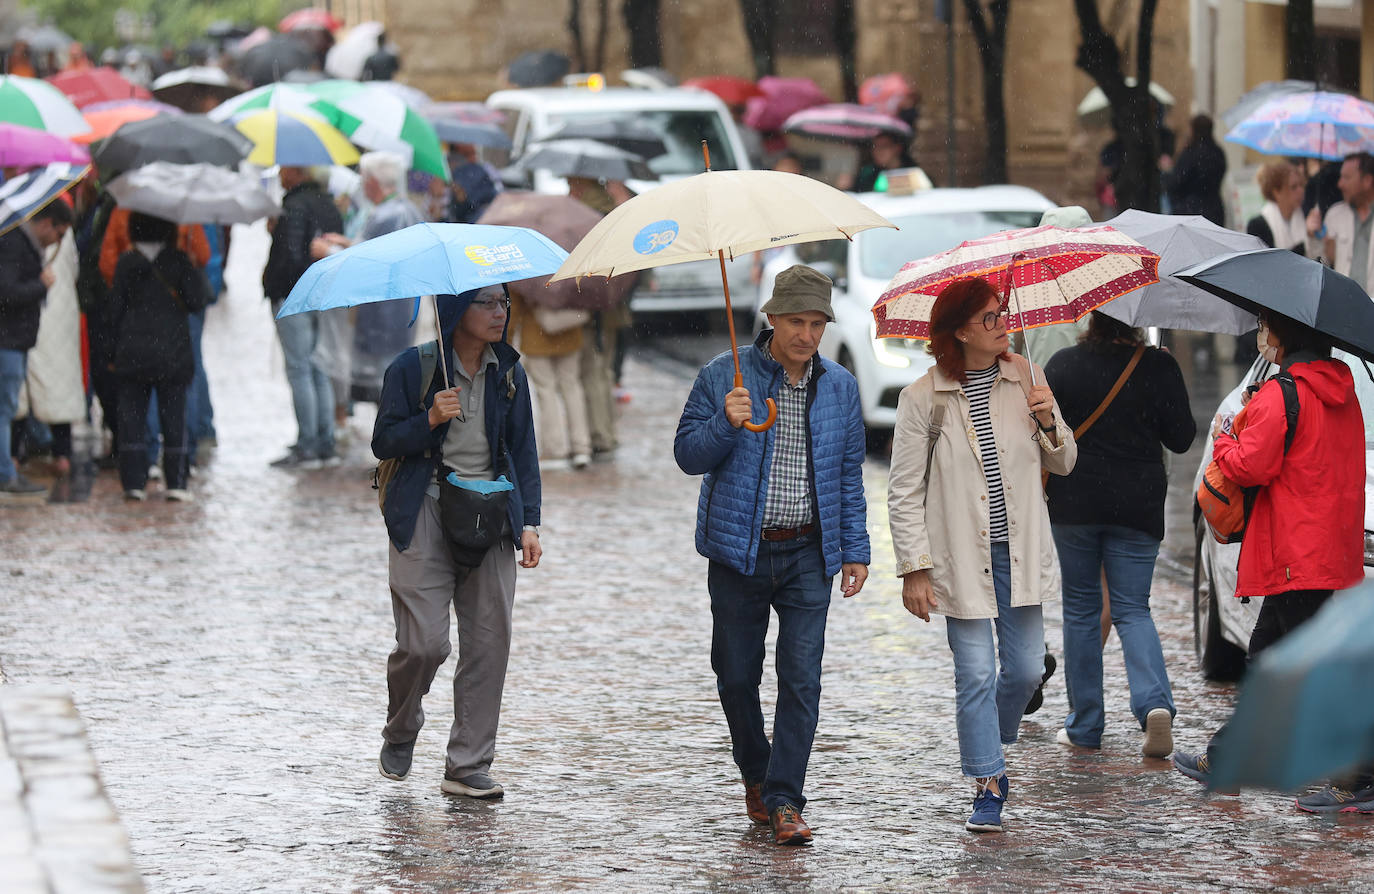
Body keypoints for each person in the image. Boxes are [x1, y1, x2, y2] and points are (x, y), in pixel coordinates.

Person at [673, 265, 871, 846]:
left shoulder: (839, 387)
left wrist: (855, 548)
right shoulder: (723, 375)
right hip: (741, 554)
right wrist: (724, 423)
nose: (807, 336)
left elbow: (846, 475)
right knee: (736, 676)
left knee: (801, 678)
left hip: (809, 552)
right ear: (772, 320)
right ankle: (755, 771)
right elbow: (688, 455)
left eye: (816, 324)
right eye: (796, 322)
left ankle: (786, 799)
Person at [887, 276, 1076, 833]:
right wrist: (913, 569)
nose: (1003, 325)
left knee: (1020, 671)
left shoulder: (1028, 378)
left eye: (1003, 314)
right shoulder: (923, 397)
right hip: (959, 553)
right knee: (974, 674)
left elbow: (1065, 463)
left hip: (1018, 548)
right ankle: (988, 782)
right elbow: (903, 490)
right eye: (990, 317)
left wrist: (1047, 418)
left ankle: (987, 741)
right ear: (960, 329)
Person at [1173, 311, 1368, 813]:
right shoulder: (1343, 394)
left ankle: (1360, 778)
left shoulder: (1285, 394)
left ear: (1284, 337)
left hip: (1294, 553)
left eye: (1266, 326)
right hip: (1324, 548)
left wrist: (1223, 438)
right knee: (1265, 657)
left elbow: (1247, 464)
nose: (1261, 335)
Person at [373, 286, 542, 799]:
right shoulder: (412, 368)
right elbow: (383, 441)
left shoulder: (510, 372)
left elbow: (524, 452)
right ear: (454, 312)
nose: (499, 313)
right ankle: (402, 727)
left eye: (503, 303)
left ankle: (467, 764)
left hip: (490, 510)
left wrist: (530, 521)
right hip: (424, 506)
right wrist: (428, 419)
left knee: (489, 642)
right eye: (486, 303)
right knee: (423, 643)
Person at [1043, 311, 1195, 757]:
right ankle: (1154, 705)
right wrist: (1165, 378)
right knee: (1132, 609)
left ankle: (1085, 725)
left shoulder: (1063, 364)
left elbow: (1045, 435)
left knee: (1082, 612)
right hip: (1138, 504)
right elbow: (1182, 438)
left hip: (1075, 504)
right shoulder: (1159, 365)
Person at [106, 213, 209, 501]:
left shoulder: (127, 262)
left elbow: (114, 311)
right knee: (174, 417)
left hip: (132, 351)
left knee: (132, 420)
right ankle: (176, 480)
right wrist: (191, 268)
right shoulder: (179, 260)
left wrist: (111, 352)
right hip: (172, 351)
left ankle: (133, 482)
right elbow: (196, 301)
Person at [318, 152, 423, 406]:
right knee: (393, 381)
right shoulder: (405, 209)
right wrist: (348, 243)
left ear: (374, 182)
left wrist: (328, 252)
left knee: (386, 387)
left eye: (364, 179)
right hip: (401, 310)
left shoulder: (385, 215)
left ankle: (392, 439)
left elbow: (368, 262)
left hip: (383, 314)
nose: (362, 185)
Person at [263, 165, 344, 468]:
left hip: (294, 295)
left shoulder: (293, 206)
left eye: (284, 168)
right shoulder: (328, 204)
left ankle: (308, 443)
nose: (281, 174)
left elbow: (291, 256)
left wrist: (274, 282)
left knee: (300, 369)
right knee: (318, 366)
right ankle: (324, 441)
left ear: (297, 171)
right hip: (322, 294)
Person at [0, 200, 71, 500]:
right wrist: (41, 285)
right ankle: (5, 474)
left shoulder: (19, 240)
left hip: (14, 340)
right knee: (4, 409)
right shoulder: (15, 243)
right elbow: (7, 292)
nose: (59, 241)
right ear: (46, 223)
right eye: (60, 233)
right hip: (8, 341)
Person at [15, 219, 84, 477]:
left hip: (28, 315)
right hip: (60, 314)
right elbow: (75, 271)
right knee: (59, 383)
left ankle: (14, 454)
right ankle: (62, 453)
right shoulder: (65, 234)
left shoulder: (19, 230)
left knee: (19, 390)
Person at [506, 288, 591, 469]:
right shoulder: (564, 264)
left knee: (546, 391)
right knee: (572, 387)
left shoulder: (525, 277)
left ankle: (556, 448)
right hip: (569, 332)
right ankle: (581, 447)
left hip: (536, 336)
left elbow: (514, 310)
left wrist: (507, 339)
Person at [1246, 161, 1323, 257]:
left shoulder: (1306, 216)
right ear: (1277, 192)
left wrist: (1313, 237)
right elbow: (1274, 262)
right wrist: (1306, 240)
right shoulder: (1258, 225)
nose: (1301, 191)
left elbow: (1321, 260)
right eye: (1294, 187)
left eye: (1301, 185)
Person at [1321, 152, 1374, 291]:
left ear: (1367, 181)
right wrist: (1314, 237)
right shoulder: (1335, 214)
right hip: (1344, 306)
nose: (1340, 184)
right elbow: (1319, 265)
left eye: (1346, 178)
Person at [1164, 114, 1227, 226]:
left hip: (1190, 211)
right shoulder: (1218, 152)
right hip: (1214, 210)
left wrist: (1167, 173)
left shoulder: (1191, 153)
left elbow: (1176, 182)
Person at [850, 131, 916, 193]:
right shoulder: (867, 173)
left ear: (897, 148)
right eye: (874, 147)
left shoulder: (913, 171)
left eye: (884, 146)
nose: (878, 151)